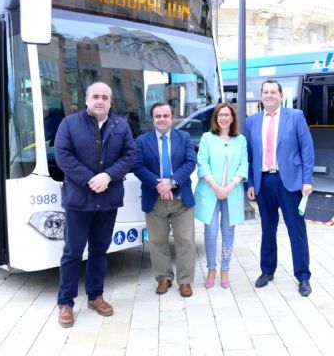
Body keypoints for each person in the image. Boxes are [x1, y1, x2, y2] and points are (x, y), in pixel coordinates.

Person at [54, 82, 135, 327]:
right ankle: (66, 302)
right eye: (95, 97)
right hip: (78, 200)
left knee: (100, 251)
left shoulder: (121, 125)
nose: (100, 101)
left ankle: (95, 296)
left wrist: (108, 175)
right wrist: (90, 179)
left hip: (107, 200)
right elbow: (62, 156)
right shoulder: (69, 124)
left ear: (111, 102)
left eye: (105, 97)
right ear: (87, 100)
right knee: (72, 253)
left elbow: (129, 155)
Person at [245, 80, 315, 297]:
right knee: (267, 228)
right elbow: (248, 155)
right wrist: (249, 183)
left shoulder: (295, 117)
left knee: (296, 229)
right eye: (265, 92)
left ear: (280, 95)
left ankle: (303, 276)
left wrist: (307, 180)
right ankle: (267, 271)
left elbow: (307, 149)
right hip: (263, 182)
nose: (269, 95)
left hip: (290, 182)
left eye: (273, 92)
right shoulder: (252, 121)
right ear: (261, 96)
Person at [134, 101, 197, 297]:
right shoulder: (142, 141)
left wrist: (172, 181)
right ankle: (163, 278)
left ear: (172, 118)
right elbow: (138, 166)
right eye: (158, 116)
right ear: (152, 119)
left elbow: (190, 162)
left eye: (166, 116)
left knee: (185, 240)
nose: (162, 119)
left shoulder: (184, 137)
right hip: (155, 200)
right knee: (157, 241)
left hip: (181, 199)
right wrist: (158, 184)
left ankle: (185, 281)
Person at [194, 103, 248, 289]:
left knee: (228, 231)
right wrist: (215, 186)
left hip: (232, 192)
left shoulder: (240, 140)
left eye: (227, 115)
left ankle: (225, 269)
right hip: (210, 191)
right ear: (215, 118)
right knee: (210, 231)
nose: (223, 118)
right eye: (220, 115)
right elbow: (202, 163)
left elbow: (243, 164)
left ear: (233, 118)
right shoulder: (207, 138)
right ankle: (211, 269)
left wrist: (230, 185)